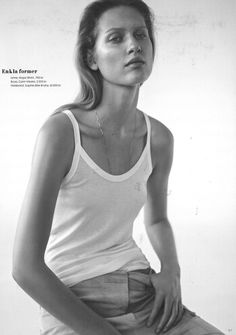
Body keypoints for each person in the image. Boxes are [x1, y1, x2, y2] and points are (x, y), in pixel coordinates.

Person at [12, 0, 224, 334]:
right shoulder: (61, 133)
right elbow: (25, 267)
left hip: (140, 288)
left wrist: (171, 269)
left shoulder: (159, 139)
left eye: (141, 34)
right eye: (116, 37)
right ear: (90, 57)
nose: (134, 45)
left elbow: (156, 219)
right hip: (71, 297)